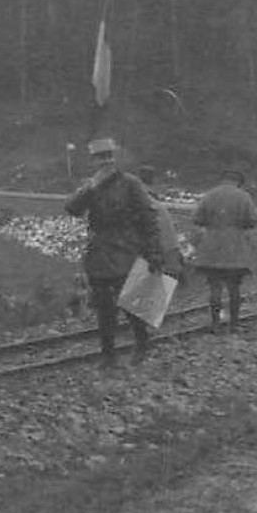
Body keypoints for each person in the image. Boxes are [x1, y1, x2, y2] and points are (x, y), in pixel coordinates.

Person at [63, 137, 164, 367]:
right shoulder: (90, 186)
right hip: (99, 251)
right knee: (103, 307)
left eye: (109, 156)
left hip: (126, 248)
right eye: (100, 157)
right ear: (92, 161)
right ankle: (109, 355)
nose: (105, 161)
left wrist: (154, 251)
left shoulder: (131, 183)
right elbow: (71, 208)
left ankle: (141, 344)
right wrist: (91, 187)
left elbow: (149, 217)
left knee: (130, 303)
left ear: (115, 158)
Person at [191, 166, 257, 333]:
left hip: (212, 246)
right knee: (234, 287)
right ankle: (234, 324)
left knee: (215, 287)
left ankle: (215, 324)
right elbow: (252, 221)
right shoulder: (244, 197)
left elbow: (197, 219)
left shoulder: (209, 195)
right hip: (235, 247)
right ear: (239, 181)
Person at [138, 165, 186, 282]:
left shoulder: (138, 199)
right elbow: (167, 233)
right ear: (154, 180)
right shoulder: (154, 203)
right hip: (158, 254)